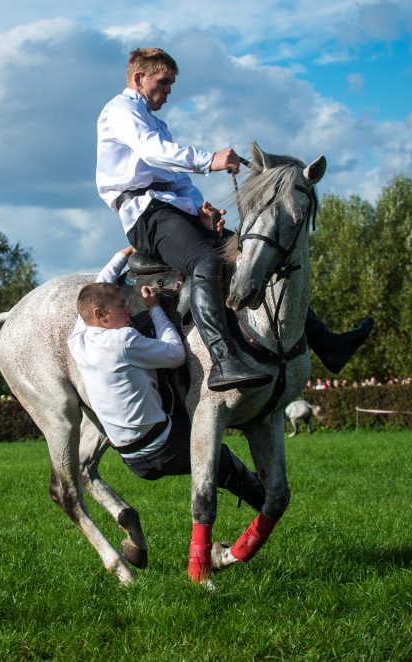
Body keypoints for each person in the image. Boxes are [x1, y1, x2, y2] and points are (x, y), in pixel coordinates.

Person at [96, 47, 372, 392]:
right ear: (139, 78)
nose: (168, 92)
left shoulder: (156, 122)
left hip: (170, 208)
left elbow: (176, 179)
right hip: (145, 214)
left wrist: (200, 209)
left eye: (171, 85)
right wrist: (210, 159)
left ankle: (327, 343)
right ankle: (223, 359)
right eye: (164, 82)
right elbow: (154, 152)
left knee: (253, 253)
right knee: (206, 260)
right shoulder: (120, 111)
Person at [68, 248, 266, 507]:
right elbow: (175, 354)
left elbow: (97, 285)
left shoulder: (77, 338)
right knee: (219, 458)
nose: (127, 308)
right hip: (164, 448)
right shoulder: (123, 340)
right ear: (99, 314)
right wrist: (155, 310)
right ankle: (266, 508)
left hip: (130, 459)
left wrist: (121, 255)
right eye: (120, 304)